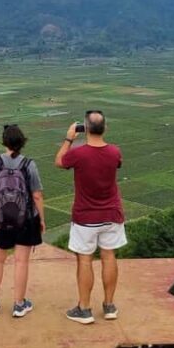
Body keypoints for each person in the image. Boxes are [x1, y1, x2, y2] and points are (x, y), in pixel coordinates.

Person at [55, 110, 126, 325]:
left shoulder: (78, 154)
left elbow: (59, 161)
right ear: (105, 128)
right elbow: (116, 163)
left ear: (85, 129)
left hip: (85, 216)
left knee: (85, 259)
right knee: (109, 256)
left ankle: (84, 309)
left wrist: (69, 138)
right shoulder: (115, 152)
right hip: (112, 213)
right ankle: (109, 306)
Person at [0, 124, 45, 318]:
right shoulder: (29, 164)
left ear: (4, 141)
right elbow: (37, 195)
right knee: (21, 262)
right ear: (22, 142)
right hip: (25, 220)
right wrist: (41, 219)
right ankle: (19, 305)